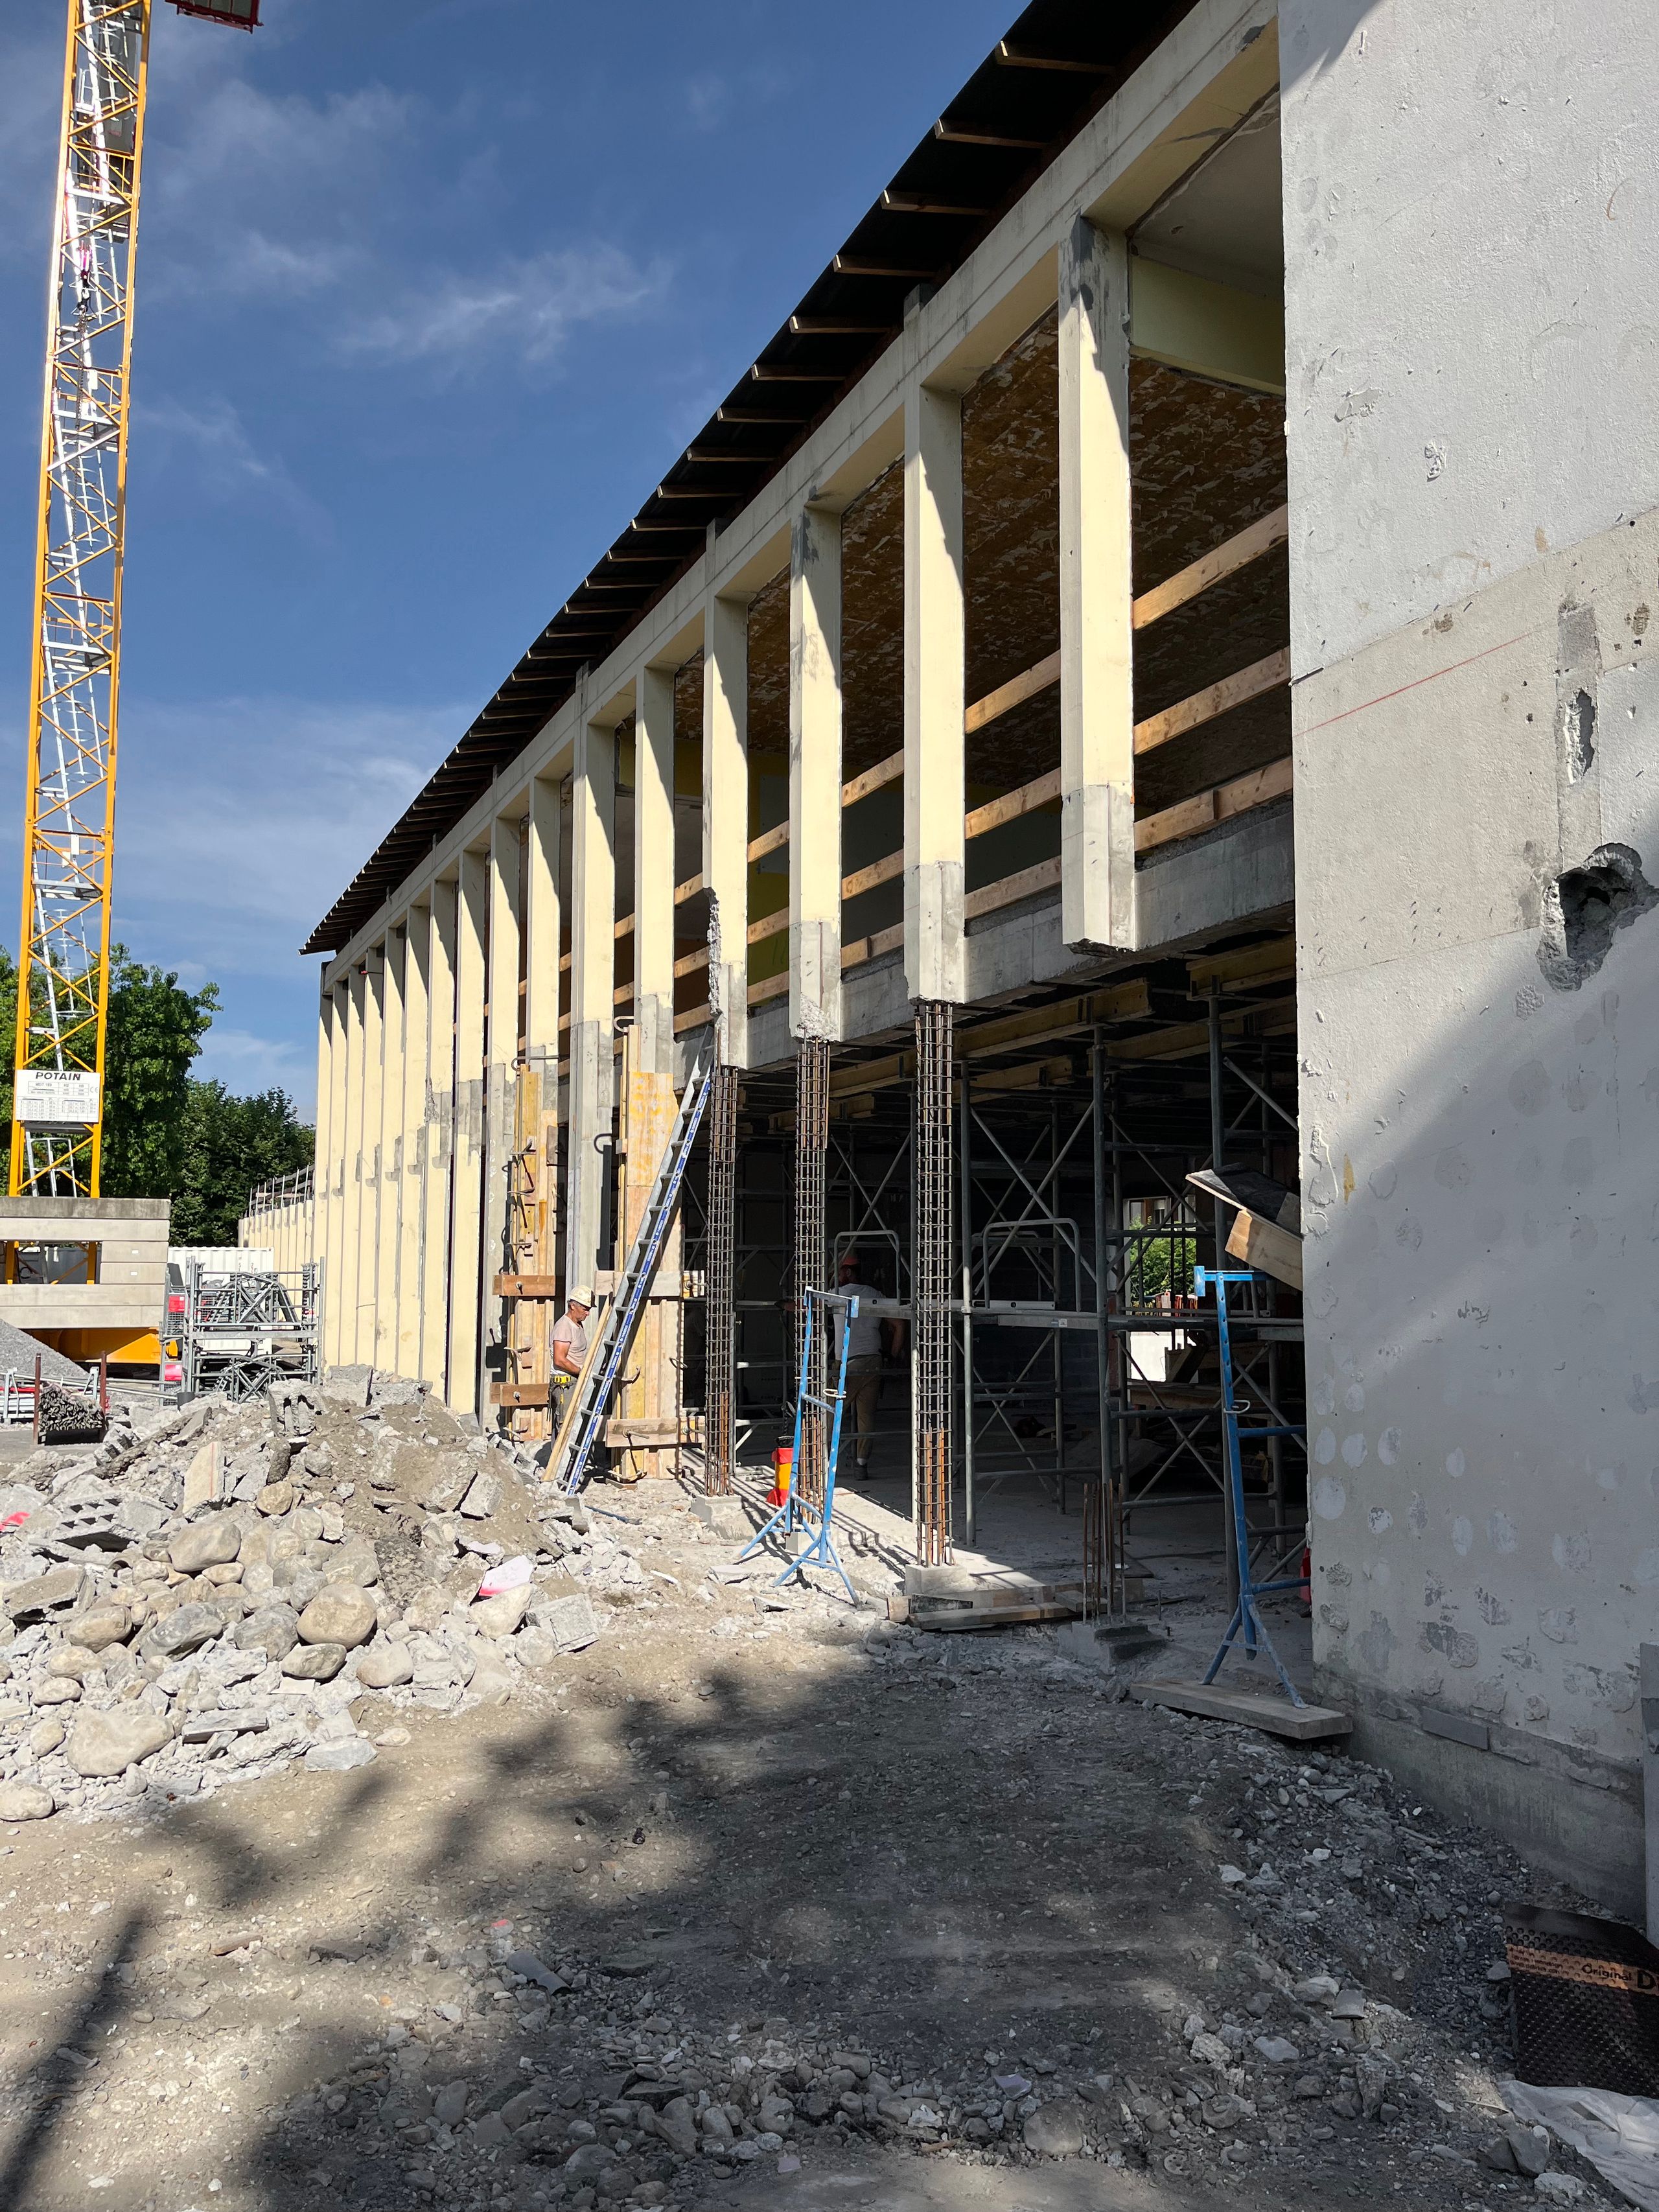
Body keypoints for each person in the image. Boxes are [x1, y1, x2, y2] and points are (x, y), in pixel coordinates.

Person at [833, 1253, 897, 1474]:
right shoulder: (875, 1295)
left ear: (848, 1272)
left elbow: (805, 1306)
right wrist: (892, 1355)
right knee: (866, 1416)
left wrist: (784, 1304)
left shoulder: (837, 1295)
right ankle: (861, 1464)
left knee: (830, 1411)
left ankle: (819, 1459)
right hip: (873, 1359)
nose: (836, 1275)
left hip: (848, 1363)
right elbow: (899, 1325)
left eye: (839, 1271)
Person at [550, 1286, 594, 1415]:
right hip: (566, 1383)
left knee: (573, 1424)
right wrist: (581, 1372)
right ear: (573, 1306)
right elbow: (559, 1360)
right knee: (567, 1427)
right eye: (585, 1309)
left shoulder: (577, 1324)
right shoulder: (564, 1326)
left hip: (574, 1381)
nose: (588, 1313)